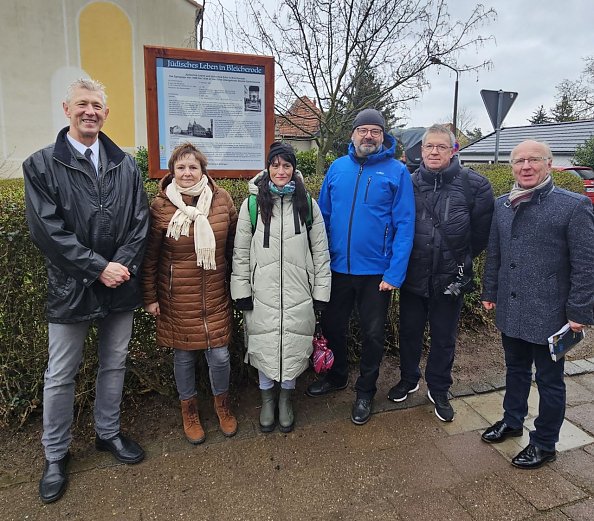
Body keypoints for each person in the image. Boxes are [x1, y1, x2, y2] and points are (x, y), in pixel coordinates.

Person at [23, 78, 149, 504]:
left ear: (106, 113)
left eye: (97, 105)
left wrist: (120, 268)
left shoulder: (126, 165)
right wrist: (98, 269)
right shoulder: (40, 165)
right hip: (72, 287)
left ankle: (107, 433)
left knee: (114, 364)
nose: (89, 111)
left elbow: (139, 222)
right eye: (82, 104)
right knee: (60, 375)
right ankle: (56, 455)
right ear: (67, 109)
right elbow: (47, 232)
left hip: (120, 285)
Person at [480, 140, 594, 468]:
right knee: (515, 369)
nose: (525, 166)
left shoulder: (572, 206)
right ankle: (512, 420)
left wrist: (579, 312)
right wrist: (490, 292)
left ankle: (545, 442)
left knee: (549, 379)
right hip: (511, 307)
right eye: (519, 161)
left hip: (551, 312)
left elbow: (586, 265)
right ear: (512, 167)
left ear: (548, 164)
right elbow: (495, 254)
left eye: (534, 160)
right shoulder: (503, 205)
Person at [305, 108, 415, 426]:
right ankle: (337, 376)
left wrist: (394, 273)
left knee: (373, 335)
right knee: (333, 327)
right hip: (338, 269)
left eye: (375, 131)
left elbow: (405, 225)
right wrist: (319, 260)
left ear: (383, 136)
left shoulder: (396, 173)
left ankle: (365, 390)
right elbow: (322, 218)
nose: (368, 136)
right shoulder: (337, 169)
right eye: (363, 130)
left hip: (376, 274)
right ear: (353, 134)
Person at [388, 124, 494, 422]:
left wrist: (457, 259)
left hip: (450, 278)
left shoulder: (476, 185)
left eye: (441, 147)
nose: (434, 152)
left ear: (453, 150)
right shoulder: (407, 183)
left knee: (444, 337)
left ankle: (439, 388)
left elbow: (480, 234)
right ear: (421, 151)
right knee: (409, 333)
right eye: (428, 147)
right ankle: (409, 380)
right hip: (413, 275)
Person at [142, 143, 238, 444]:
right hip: (176, 296)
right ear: (172, 171)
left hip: (215, 292)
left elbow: (236, 248)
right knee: (183, 356)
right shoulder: (161, 206)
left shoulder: (221, 200)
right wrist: (150, 297)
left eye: (192, 167)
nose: (186, 173)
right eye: (181, 167)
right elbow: (150, 257)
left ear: (203, 170)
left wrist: (240, 285)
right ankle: (190, 410)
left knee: (220, 355)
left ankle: (221, 405)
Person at [231, 142, 331, 433]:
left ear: (294, 169)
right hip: (262, 290)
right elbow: (240, 251)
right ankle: (267, 399)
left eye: (286, 165)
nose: (280, 170)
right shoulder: (252, 203)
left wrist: (321, 292)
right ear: (268, 167)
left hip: (299, 290)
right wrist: (241, 291)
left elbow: (321, 251)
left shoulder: (307, 203)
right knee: (263, 342)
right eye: (275, 164)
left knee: (293, 343)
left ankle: (286, 398)